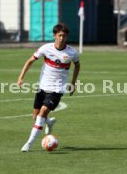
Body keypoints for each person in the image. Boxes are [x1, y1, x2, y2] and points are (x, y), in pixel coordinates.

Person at [17, 23, 80, 152]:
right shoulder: (46, 48)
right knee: (36, 117)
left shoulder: (72, 52)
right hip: (42, 87)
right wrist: (20, 77)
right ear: (55, 35)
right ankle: (49, 122)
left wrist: (73, 83)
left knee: (42, 113)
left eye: (64, 36)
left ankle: (28, 144)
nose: (62, 38)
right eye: (60, 35)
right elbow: (30, 61)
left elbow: (77, 66)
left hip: (57, 89)